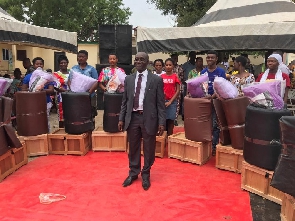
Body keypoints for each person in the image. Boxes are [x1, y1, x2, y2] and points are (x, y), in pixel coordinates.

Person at [118, 52, 165, 191]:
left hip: (149, 118)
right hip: (132, 118)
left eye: (141, 60)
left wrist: (161, 122)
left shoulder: (156, 80)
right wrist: (121, 118)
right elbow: (125, 101)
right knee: (133, 147)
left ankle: (146, 173)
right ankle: (133, 173)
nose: (138, 62)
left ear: (147, 62)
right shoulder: (129, 79)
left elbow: (160, 103)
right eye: (136, 59)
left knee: (149, 148)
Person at [201, 50, 226, 156]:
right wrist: (205, 95)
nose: (209, 59)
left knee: (215, 124)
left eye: (212, 57)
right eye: (208, 57)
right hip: (206, 101)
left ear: (216, 59)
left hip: (216, 101)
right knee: (205, 123)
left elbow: (222, 87)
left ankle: (214, 146)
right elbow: (202, 86)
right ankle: (205, 145)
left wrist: (212, 97)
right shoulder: (203, 72)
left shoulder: (220, 72)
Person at [22, 57, 54, 131]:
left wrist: (41, 90)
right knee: (34, 120)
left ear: (43, 65)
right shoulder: (28, 76)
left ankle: (46, 136)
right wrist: (33, 89)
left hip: (46, 102)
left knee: (45, 120)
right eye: (37, 64)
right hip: (32, 103)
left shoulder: (47, 76)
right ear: (33, 65)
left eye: (41, 64)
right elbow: (23, 89)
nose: (39, 66)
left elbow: (51, 90)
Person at [71, 50, 99, 119]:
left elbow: (97, 82)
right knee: (78, 114)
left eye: (82, 57)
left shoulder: (91, 69)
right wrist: (72, 90)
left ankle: (90, 129)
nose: (80, 58)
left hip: (89, 96)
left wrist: (89, 92)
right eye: (79, 57)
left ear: (86, 58)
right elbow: (70, 80)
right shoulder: (74, 68)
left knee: (90, 115)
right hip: (77, 96)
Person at [161, 58, 180, 136]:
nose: (168, 66)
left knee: (171, 121)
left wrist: (170, 101)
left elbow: (178, 90)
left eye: (170, 65)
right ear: (164, 66)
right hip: (162, 102)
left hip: (172, 102)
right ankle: (163, 138)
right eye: (166, 65)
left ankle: (170, 137)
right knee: (163, 121)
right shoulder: (161, 76)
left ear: (173, 66)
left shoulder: (175, 76)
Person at [53, 55, 70, 128]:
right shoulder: (55, 74)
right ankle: (61, 131)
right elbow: (55, 86)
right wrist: (65, 90)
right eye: (61, 63)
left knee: (70, 114)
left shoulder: (71, 73)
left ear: (67, 63)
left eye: (65, 62)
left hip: (71, 96)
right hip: (61, 97)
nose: (63, 64)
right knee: (61, 115)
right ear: (59, 64)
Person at [171, 53, 184, 125]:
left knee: (177, 104)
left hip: (177, 88)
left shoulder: (180, 68)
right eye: (174, 58)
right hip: (169, 88)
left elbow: (182, 78)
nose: (175, 60)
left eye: (176, 58)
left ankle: (175, 119)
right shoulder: (167, 67)